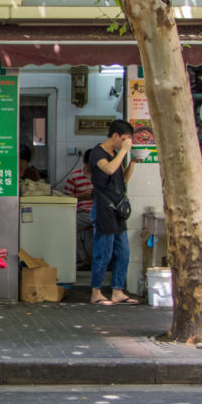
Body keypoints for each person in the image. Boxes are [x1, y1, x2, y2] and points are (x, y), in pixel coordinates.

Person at [88, 119, 137, 305]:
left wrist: (133, 161)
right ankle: (96, 292)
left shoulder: (115, 153)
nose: (125, 142)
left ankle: (118, 291)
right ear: (115, 136)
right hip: (103, 209)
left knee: (123, 251)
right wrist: (124, 151)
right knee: (104, 252)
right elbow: (108, 169)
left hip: (118, 210)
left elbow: (123, 179)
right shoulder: (97, 152)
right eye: (124, 139)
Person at [63, 149, 94, 270]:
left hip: (97, 212)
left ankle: (85, 259)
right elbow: (66, 199)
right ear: (84, 162)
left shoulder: (101, 176)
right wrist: (81, 196)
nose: (92, 169)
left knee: (69, 227)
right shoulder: (74, 176)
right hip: (81, 212)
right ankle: (83, 259)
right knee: (68, 227)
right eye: (89, 166)